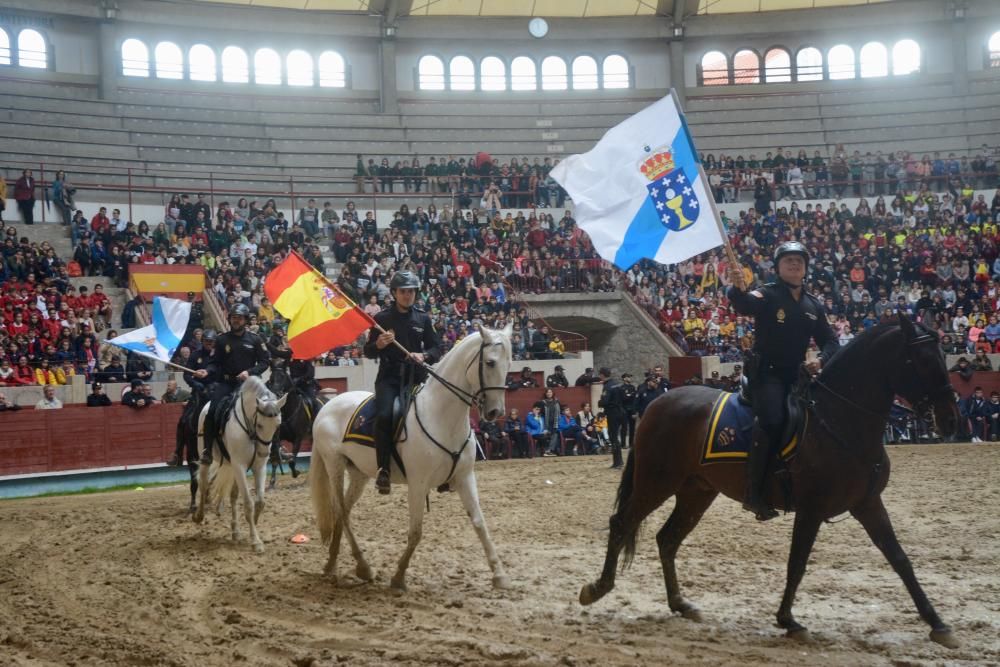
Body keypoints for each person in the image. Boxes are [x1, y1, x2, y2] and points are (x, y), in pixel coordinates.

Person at [728, 241, 839, 520]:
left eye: (799, 261)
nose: (794, 265)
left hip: (797, 376)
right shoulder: (766, 294)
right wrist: (736, 287)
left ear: (805, 268)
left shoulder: (813, 304)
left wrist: (820, 360)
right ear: (777, 267)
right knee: (772, 421)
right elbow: (744, 304)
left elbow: (831, 342)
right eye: (788, 260)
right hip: (767, 375)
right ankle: (754, 493)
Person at [363, 271, 442, 494]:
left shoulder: (423, 318)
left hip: (417, 378)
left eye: (411, 291)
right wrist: (378, 344)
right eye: (403, 291)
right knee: (386, 415)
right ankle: (383, 470)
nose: (408, 295)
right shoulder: (381, 319)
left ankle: (442, 469)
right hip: (389, 378)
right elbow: (368, 351)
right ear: (394, 293)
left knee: (438, 413)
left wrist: (423, 356)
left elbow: (437, 348)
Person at [194, 305, 271, 464]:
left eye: (239, 317)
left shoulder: (255, 339)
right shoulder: (221, 340)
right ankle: (208, 450)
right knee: (213, 410)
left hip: (249, 385)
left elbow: (265, 362)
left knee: (270, 409)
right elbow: (215, 363)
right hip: (227, 383)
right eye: (233, 317)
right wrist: (207, 371)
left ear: (245, 320)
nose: (236, 320)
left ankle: (276, 450)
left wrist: (249, 372)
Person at [167, 329, 216, 467]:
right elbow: (186, 375)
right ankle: (177, 452)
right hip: (199, 393)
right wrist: (196, 383)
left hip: (216, 391)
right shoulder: (195, 355)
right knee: (183, 421)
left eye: (211, 342)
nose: (209, 344)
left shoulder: (219, 356)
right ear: (202, 341)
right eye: (206, 341)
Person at [597, 367, 625, 468]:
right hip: (620, 411)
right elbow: (624, 397)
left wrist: (599, 402)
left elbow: (604, 401)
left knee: (613, 436)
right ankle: (618, 461)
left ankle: (618, 462)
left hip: (612, 413)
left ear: (602, 375)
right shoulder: (617, 384)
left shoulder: (607, 386)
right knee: (615, 436)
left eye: (600, 374)